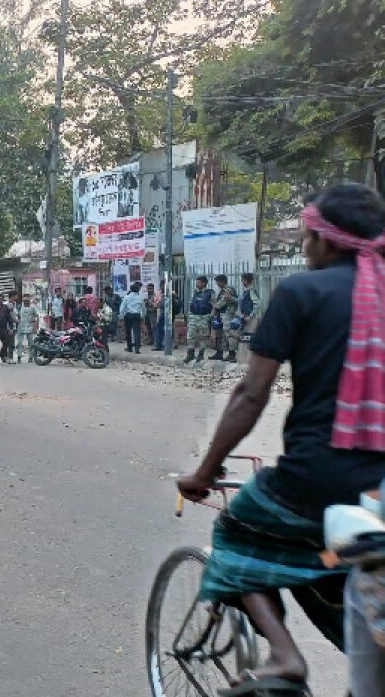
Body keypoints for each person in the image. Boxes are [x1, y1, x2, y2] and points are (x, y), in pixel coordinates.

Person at [176, 184, 385, 695]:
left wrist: (205, 472)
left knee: (235, 534)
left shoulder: (299, 293)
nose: (305, 244)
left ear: (329, 241)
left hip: (315, 480)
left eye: (309, 234)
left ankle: (286, 655)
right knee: (341, 562)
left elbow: (251, 395)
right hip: (379, 492)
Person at [225, 273, 259, 364]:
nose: (241, 282)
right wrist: (230, 298)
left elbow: (257, 304)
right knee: (242, 338)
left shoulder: (251, 291)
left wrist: (250, 315)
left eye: (242, 280)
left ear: (246, 281)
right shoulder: (245, 292)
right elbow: (240, 301)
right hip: (243, 318)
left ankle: (250, 359)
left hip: (250, 319)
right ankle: (242, 358)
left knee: (249, 338)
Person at [185, 276, 214, 363]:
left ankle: (201, 354)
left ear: (204, 283)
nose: (197, 284)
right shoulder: (195, 292)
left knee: (203, 337)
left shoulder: (210, 293)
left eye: (198, 282)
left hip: (204, 317)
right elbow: (191, 304)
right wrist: (189, 315)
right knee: (190, 336)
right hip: (194, 316)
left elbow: (214, 305)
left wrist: (210, 316)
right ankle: (190, 353)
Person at [210, 274, 239, 362]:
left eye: (218, 282)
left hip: (228, 314)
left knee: (230, 334)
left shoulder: (228, 290)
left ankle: (232, 354)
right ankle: (220, 352)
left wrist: (214, 307)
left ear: (222, 281)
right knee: (222, 335)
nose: (217, 284)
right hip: (223, 315)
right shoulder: (223, 290)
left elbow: (222, 302)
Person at [118, 281, 145, 354]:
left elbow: (122, 307)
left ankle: (129, 347)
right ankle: (137, 349)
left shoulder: (127, 297)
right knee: (137, 332)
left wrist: (121, 316)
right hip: (137, 315)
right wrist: (143, 317)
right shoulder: (140, 298)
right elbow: (143, 308)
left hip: (129, 315)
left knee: (128, 332)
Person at [15, 294, 38, 363]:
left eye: (27, 300)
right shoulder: (19, 307)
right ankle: (19, 357)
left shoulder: (32, 307)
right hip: (21, 326)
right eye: (25, 300)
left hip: (29, 327)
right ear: (23, 300)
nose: (26, 301)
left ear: (29, 300)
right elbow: (17, 315)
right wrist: (17, 321)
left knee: (30, 343)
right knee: (19, 343)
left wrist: (35, 326)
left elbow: (36, 316)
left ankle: (30, 357)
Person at [144, 283, 159, 348]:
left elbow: (156, 304)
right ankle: (151, 340)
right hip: (147, 313)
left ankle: (156, 342)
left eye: (150, 288)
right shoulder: (147, 295)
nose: (149, 290)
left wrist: (150, 303)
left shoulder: (155, 296)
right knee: (148, 327)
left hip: (153, 313)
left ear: (153, 289)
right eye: (148, 288)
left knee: (154, 327)